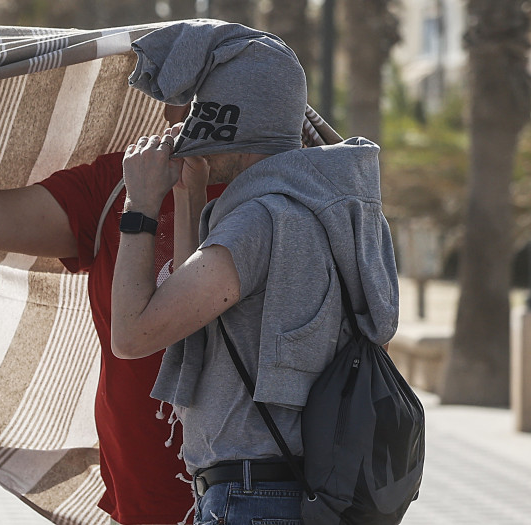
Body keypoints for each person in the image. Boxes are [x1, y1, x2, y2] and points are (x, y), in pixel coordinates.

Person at [0, 97, 220, 524]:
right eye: (172, 97)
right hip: (147, 492)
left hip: (260, 489)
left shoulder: (285, 191)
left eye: (188, 97)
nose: (171, 113)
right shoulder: (125, 181)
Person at [110, 21, 399, 524]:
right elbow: (201, 315)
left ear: (236, 126)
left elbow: (134, 334)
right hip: (299, 493)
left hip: (254, 498)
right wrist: (190, 196)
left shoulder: (259, 219)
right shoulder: (334, 209)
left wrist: (140, 204)